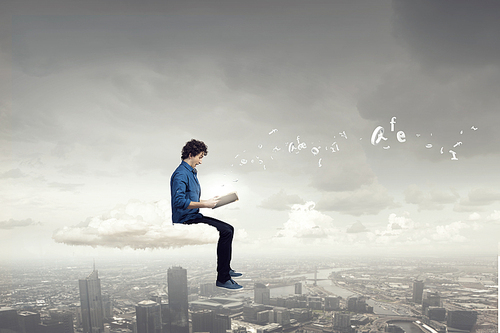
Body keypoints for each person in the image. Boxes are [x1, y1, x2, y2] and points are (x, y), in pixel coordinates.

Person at [170, 139, 243, 290]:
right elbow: (179, 202)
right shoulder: (181, 174)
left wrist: (209, 201)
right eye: (200, 156)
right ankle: (223, 278)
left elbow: (191, 199)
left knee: (229, 229)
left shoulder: (191, 173)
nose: (201, 161)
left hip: (193, 215)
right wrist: (205, 205)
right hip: (185, 219)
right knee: (227, 230)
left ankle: (226, 269)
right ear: (191, 155)